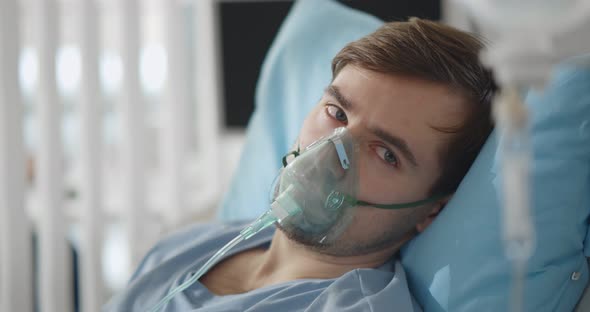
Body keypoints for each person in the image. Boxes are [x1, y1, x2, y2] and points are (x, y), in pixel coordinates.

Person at [103, 18, 495, 311]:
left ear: (431, 210)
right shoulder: (187, 247)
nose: (332, 149)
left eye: (386, 153)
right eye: (337, 113)